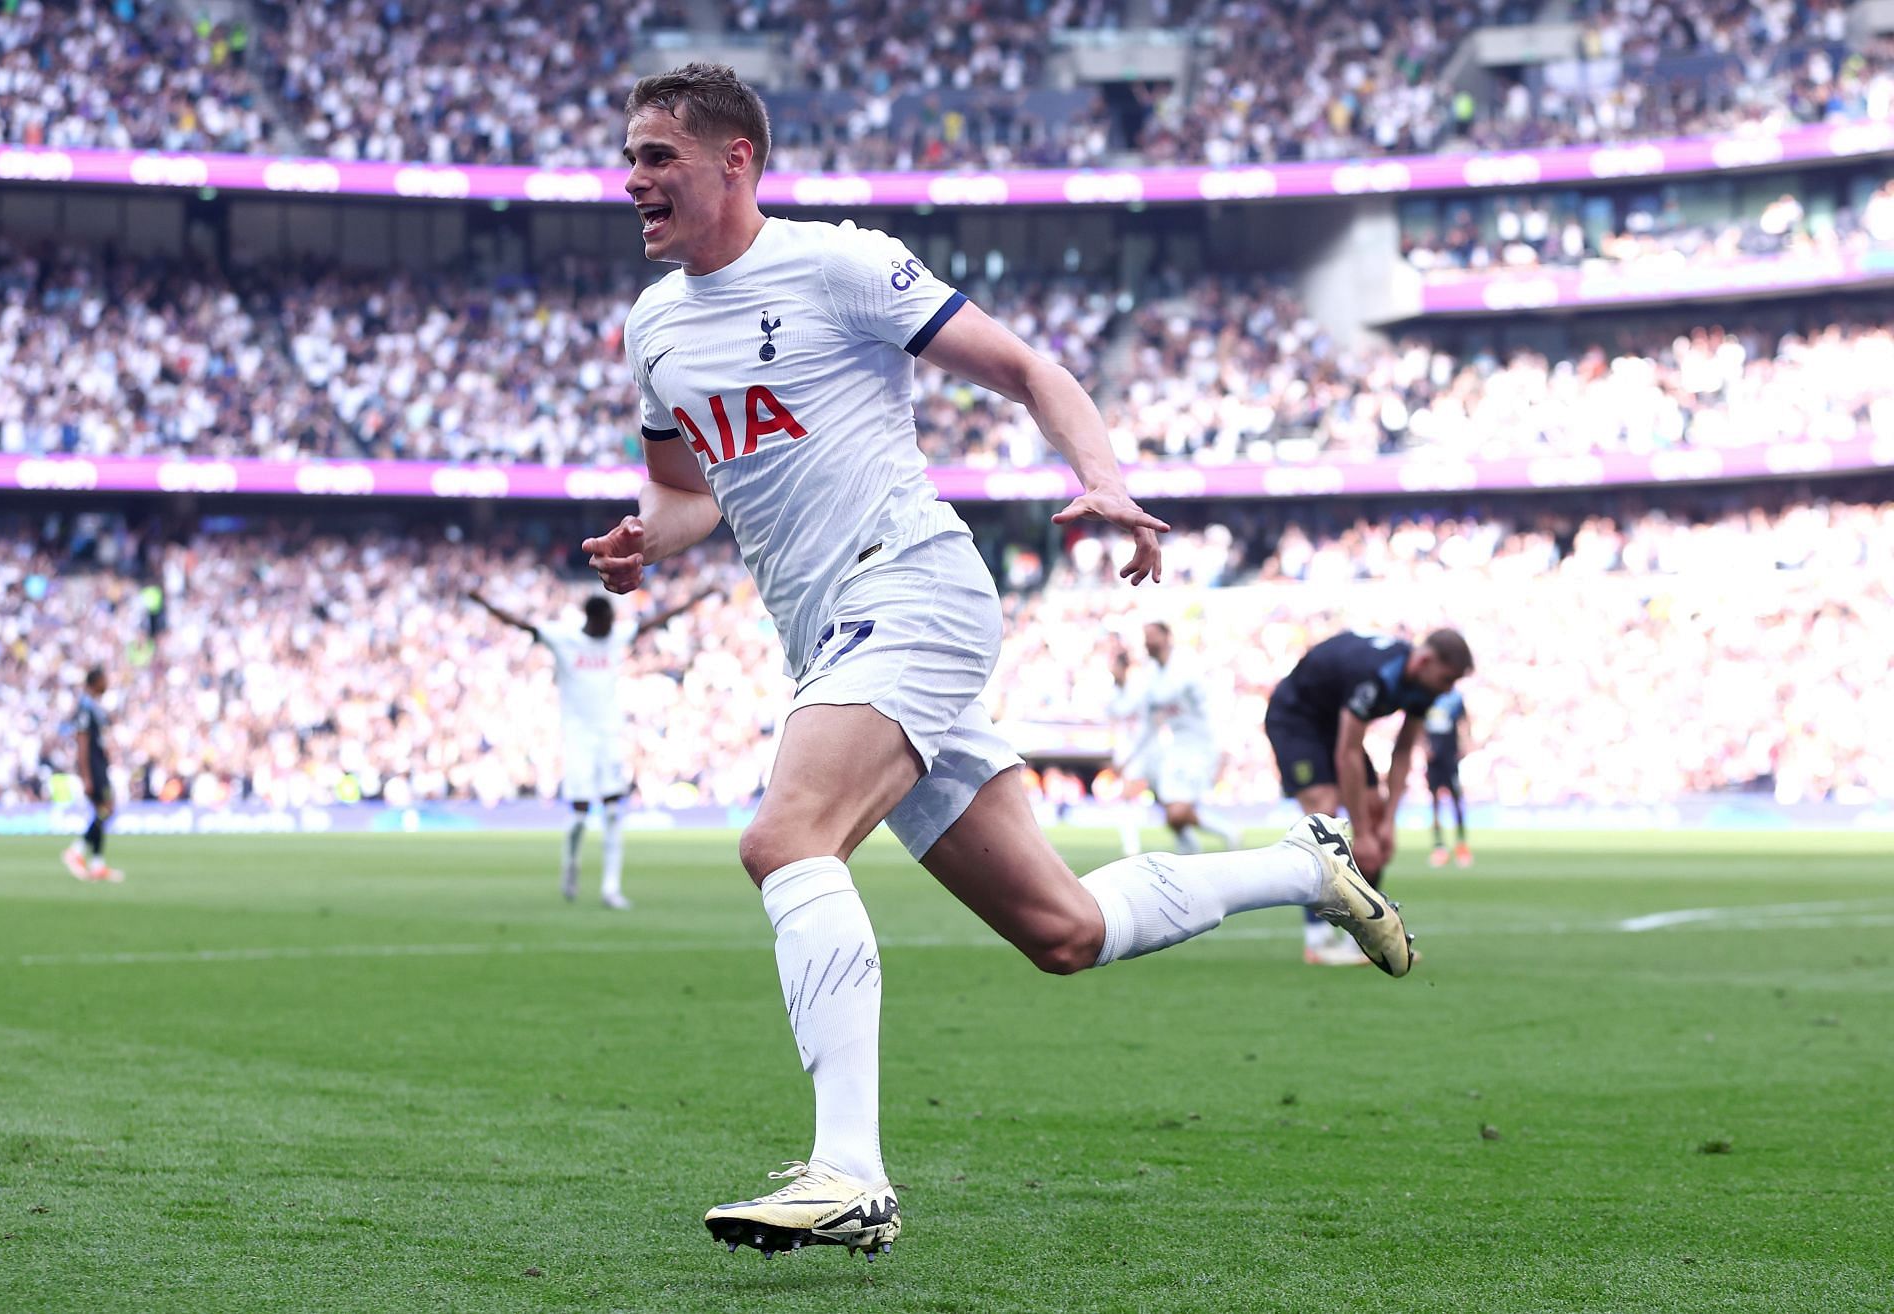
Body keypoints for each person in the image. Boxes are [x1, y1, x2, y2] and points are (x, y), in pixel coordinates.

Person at [581, 61, 1415, 1262]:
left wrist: (1104, 480)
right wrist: (641, 542)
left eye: (657, 154)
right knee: (1064, 929)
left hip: (910, 584)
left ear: (735, 161)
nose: (633, 178)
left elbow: (1030, 369)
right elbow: (683, 495)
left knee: (784, 839)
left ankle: (850, 1174)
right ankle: (1303, 866)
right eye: (631, 154)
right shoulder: (655, 328)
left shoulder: (839, 265)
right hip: (832, 634)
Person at [467, 588, 711, 907]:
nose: (613, 627)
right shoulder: (563, 638)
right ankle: (570, 863)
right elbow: (519, 623)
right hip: (578, 737)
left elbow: (654, 622)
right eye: (607, 621)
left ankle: (611, 889)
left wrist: (698, 596)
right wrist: (483, 601)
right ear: (593, 620)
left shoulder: (615, 636)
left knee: (613, 812)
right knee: (580, 816)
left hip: (609, 735)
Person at [1263, 630, 1474, 966]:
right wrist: (1359, 835)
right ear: (1424, 661)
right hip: (1296, 719)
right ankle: (1317, 940)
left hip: (1333, 723)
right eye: (1447, 678)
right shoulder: (1374, 675)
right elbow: (1347, 753)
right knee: (1325, 812)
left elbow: (1404, 750)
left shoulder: (1424, 686)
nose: (1448, 689)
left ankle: (1360, 938)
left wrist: (1387, 822)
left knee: (1374, 821)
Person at [1109, 621, 1235, 854]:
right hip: (1176, 747)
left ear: (1167, 637)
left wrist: (1224, 746)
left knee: (1177, 813)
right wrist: (1127, 759)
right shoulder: (1152, 674)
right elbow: (1148, 724)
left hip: (1201, 746)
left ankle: (1227, 831)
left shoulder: (1186, 665)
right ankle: (1191, 858)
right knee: (1172, 816)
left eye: (1152, 636)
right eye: (1145, 637)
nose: (1148, 642)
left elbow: (1178, 695)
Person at [61, 667, 123, 884]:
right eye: (105, 679)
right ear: (96, 681)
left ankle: (97, 864)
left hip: (99, 766)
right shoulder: (86, 707)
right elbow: (82, 742)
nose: (107, 684)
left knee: (102, 811)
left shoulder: (93, 706)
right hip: (94, 768)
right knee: (107, 809)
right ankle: (76, 851)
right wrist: (86, 776)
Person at [1424, 689, 1473, 867]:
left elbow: (1465, 720)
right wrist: (1424, 746)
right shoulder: (1427, 695)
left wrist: (1466, 742)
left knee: (1456, 800)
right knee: (1435, 803)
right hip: (1433, 759)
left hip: (1450, 757)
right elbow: (1419, 723)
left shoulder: (1456, 698)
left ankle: (1461, 846)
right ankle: (1439, 847)